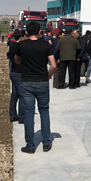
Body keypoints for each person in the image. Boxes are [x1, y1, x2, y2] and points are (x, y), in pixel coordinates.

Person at [13, 21, 57, 154]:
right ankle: (46, 143)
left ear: (26, 32)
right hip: (42, 81)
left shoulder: (21, 45)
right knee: (44, 111)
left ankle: (30, 145)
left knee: (29, 113)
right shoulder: (45, 45)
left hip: (27, 81)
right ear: (39, 32)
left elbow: (17, 60)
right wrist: (48, 76)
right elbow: (53, 65)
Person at [8, 30, 25, 123]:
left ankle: (13, 115)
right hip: (19, 72)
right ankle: (22, 117)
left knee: (14, 95)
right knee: (22, 95)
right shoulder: (20, 47)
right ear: (21, 37)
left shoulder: (12, 46)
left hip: (13, 71)